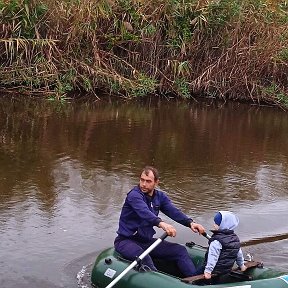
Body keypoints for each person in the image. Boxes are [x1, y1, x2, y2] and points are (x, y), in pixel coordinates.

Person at [114, 166, 205, 277]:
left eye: (148, 181)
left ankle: (195, 282)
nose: (143, 184)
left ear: (156, 182)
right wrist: (161, 223)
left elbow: (173, 211)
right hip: (126, 241)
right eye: (142, 180)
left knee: (180, 251)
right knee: (144, 258)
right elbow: (144, 212)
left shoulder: (159, 197)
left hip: (145, 241)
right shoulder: (134, 195)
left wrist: (190, 223)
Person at [199, 211, 247, 280]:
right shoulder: (235, 239)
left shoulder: (216, 241)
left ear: (223, 225)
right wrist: (242, 265)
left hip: (214, 270)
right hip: (226, 270)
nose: (214, 225)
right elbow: (238, 254)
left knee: (194, 273)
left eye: (216, 223)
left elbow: (213, 256)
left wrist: (208, 271)